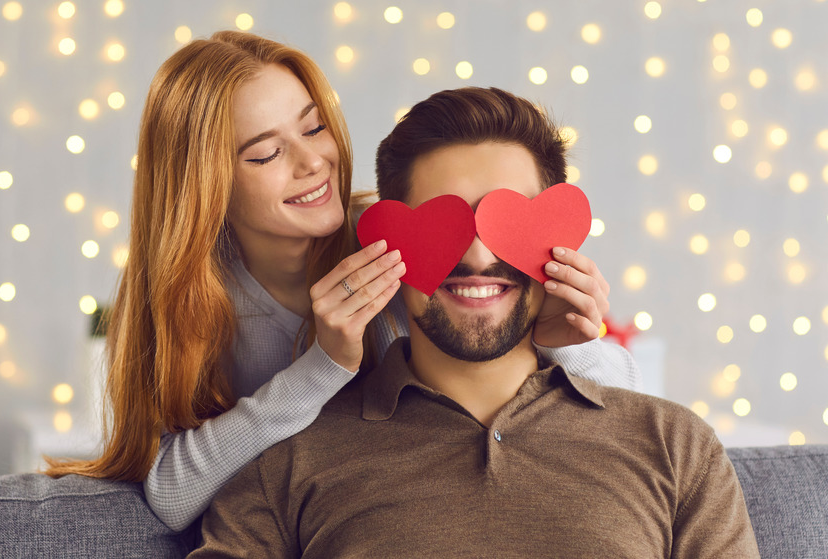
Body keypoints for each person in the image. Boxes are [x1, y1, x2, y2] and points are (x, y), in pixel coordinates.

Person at [44, 31, 642, 532]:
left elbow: (639, 416)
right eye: (263, 154)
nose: (311, 164)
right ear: (205, 187)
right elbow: (172, 495)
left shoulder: (399, 239)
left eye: (313, 129)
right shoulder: (183, 297)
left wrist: (573, 345)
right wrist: (322, 367)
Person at [188, 87, 759, 557]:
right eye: (445, 223)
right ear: (388, 244)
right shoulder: (287, 462)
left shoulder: (676, 444)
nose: (480, 255)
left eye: (507, 220)